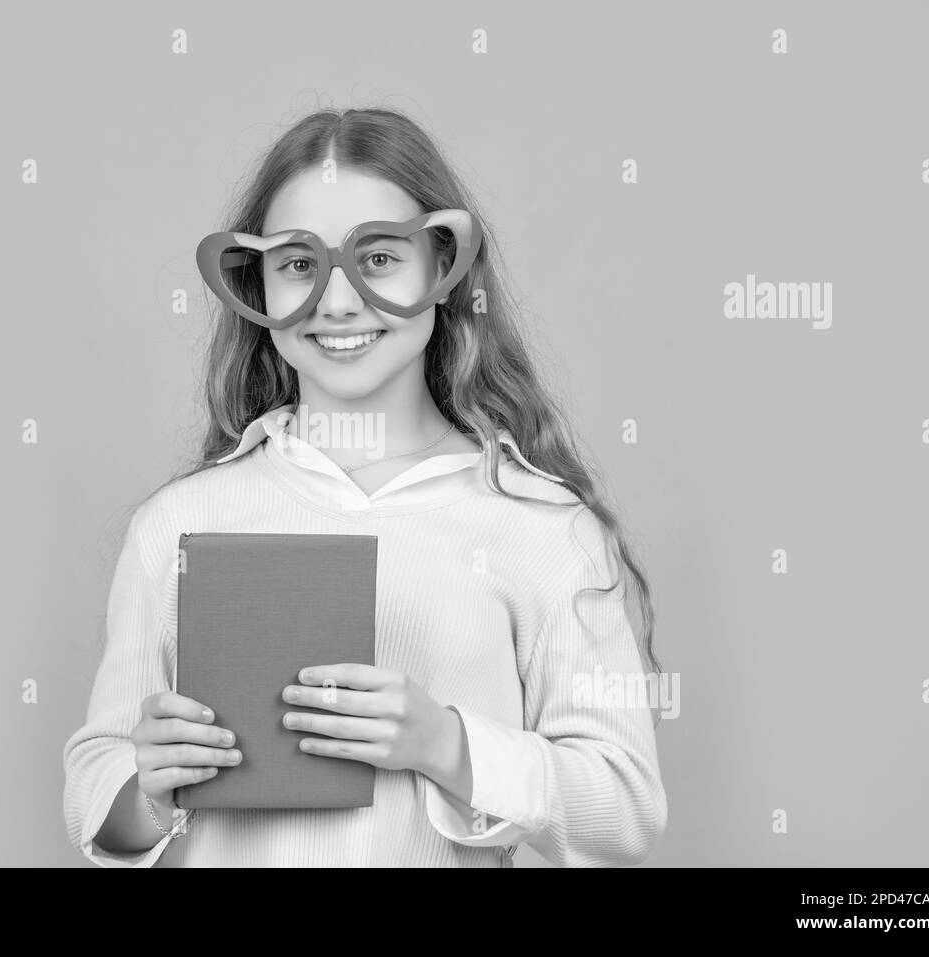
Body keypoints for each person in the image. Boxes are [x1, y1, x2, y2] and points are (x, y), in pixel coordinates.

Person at [62, 106, 668, 867]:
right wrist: (148, 792)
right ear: (260, 286)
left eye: (378, 259)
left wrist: (446, 744)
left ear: (443, 270)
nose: (337, 302)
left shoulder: (545, 526)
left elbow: (625, 811)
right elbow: (96, 787)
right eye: (297, 263)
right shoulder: (176, 524)